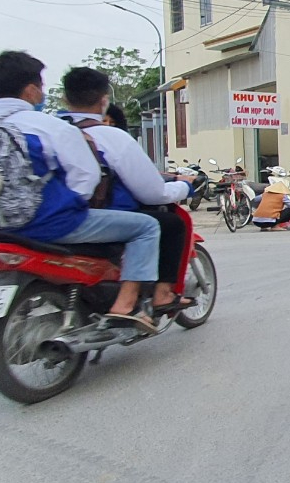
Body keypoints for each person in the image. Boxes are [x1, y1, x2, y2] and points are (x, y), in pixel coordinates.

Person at [0, 51, 161, 331]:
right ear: (30, 90)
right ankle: (126, 305)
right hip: (46, 223)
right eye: (40, 85)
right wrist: (68, 203)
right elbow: (86, 176)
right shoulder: (50, 126)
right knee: (147, 227)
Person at [59, 66, 197, 316]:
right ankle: (159, 295)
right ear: (104, 101)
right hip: (91, 219)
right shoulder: (113, 138)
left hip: (47, 215)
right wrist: (184, 186)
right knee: (169, 223)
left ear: (65, 99)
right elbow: (153, 194)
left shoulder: (52, 130)